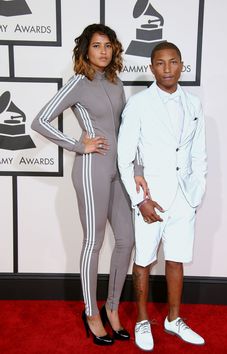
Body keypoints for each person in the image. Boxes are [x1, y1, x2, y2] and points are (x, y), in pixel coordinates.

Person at [31, 23, 147, 346]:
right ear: (86, 50)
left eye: (108, 45)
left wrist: (136, 168)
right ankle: (91, 312)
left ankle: (111, 308)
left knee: (127, 239)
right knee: (93, 241)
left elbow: (127, 131)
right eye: (96, 46)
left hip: (119, 171)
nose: (103, 51)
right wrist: (77, 144)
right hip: (91, 169)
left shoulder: (115, 82)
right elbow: (39, 120)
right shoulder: (78, 84)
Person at [117, 42, 207, 351]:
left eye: (173, 62)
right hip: (150, 198)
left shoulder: (194, 104)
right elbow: (124, 158)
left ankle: (173, 319)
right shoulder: (139, 104)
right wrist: (139, 200)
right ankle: (142, 319)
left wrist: (196, 192)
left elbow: (199, 153)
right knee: (143, 261)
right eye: (160, 63)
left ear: (182, 65)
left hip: (184, 198)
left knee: (176, 260)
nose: (167, 68)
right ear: (152, 67)